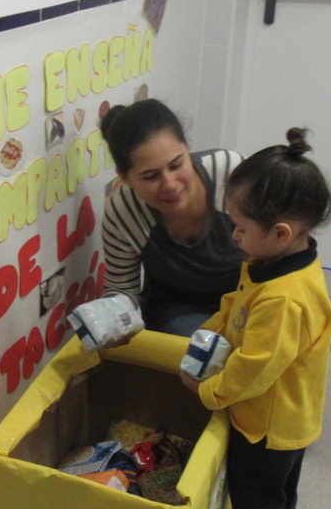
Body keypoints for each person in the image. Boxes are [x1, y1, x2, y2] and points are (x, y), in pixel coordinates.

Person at [180, 128, 331, 509]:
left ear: (281, 232)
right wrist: (209, 331)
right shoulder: (274, 262)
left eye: (242, 228)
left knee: (258, 490)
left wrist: (209, 392)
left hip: (270, 422)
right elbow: (236, 303)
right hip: (280, 416)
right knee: (273, 490)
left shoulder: (286, 298)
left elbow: (256, 369)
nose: (234, 235)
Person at [100, 99, 244, 335]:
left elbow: (280, 243)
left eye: (177, 165)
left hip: (250, 296)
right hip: (178, 311)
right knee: (199, 349)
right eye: (150, 176)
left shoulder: (231, 173)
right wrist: (109, 319)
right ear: (124, 178)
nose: (169, 184)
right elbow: (122, 288)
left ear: (188, 149)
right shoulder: (122, 211)